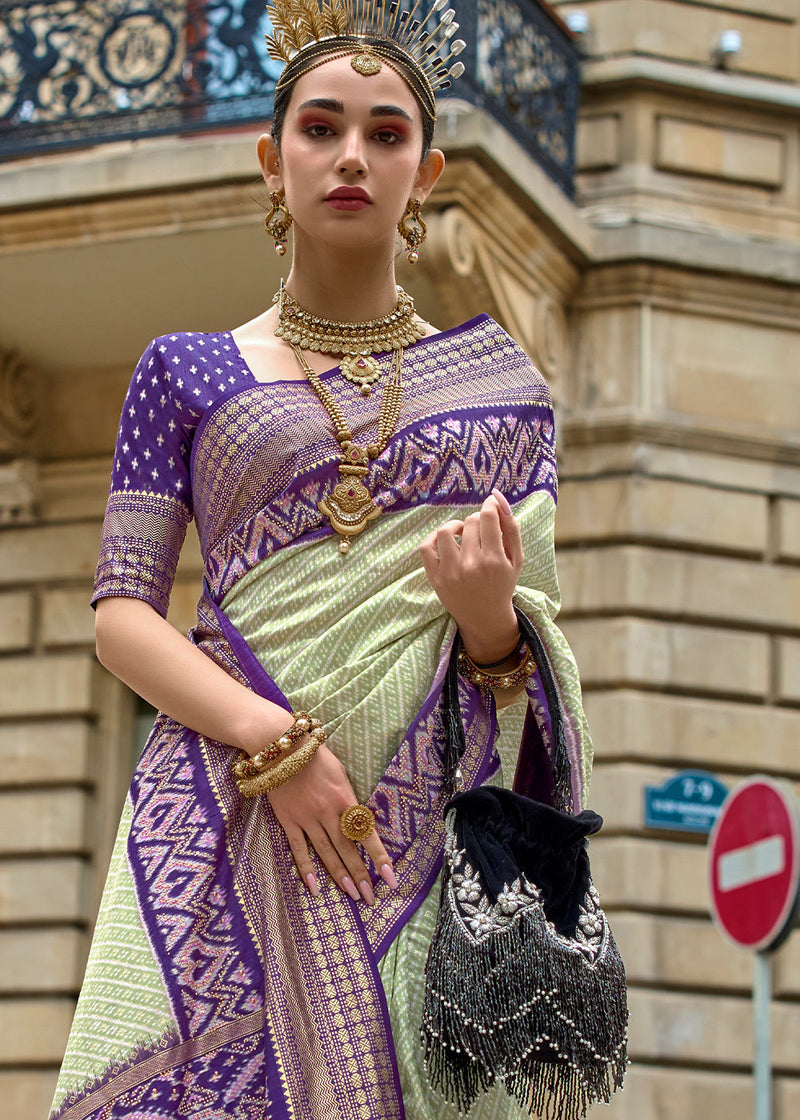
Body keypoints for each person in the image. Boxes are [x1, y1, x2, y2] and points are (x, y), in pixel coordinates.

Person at [50, 3, 593, 1118]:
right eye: (321, 127)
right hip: (219, 819)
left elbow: (520, 675)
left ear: (424, 172)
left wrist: (491, 615)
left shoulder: (504, 391)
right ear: (273, 157)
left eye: (385, 134)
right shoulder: (183, 372)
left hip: (415, 848)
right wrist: (273, 743)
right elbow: (121, 616)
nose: (351, 156)